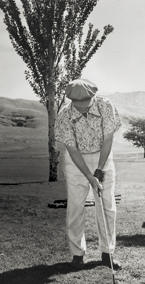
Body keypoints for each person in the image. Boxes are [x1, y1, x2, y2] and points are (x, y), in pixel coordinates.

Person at [55, 78, 122, 270]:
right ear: (71, 101)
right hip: (77, 163)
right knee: (76, 207)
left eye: (86, 105)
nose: (83, 109)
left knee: (107, 205)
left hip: (103, 156)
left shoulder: (105, 105)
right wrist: (90, 176)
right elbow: (72, 150)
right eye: (79, 106)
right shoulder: (64, 115)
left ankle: (107, 253)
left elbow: (108, 139)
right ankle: (77, 254)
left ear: (93, 97)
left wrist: (100, 170)